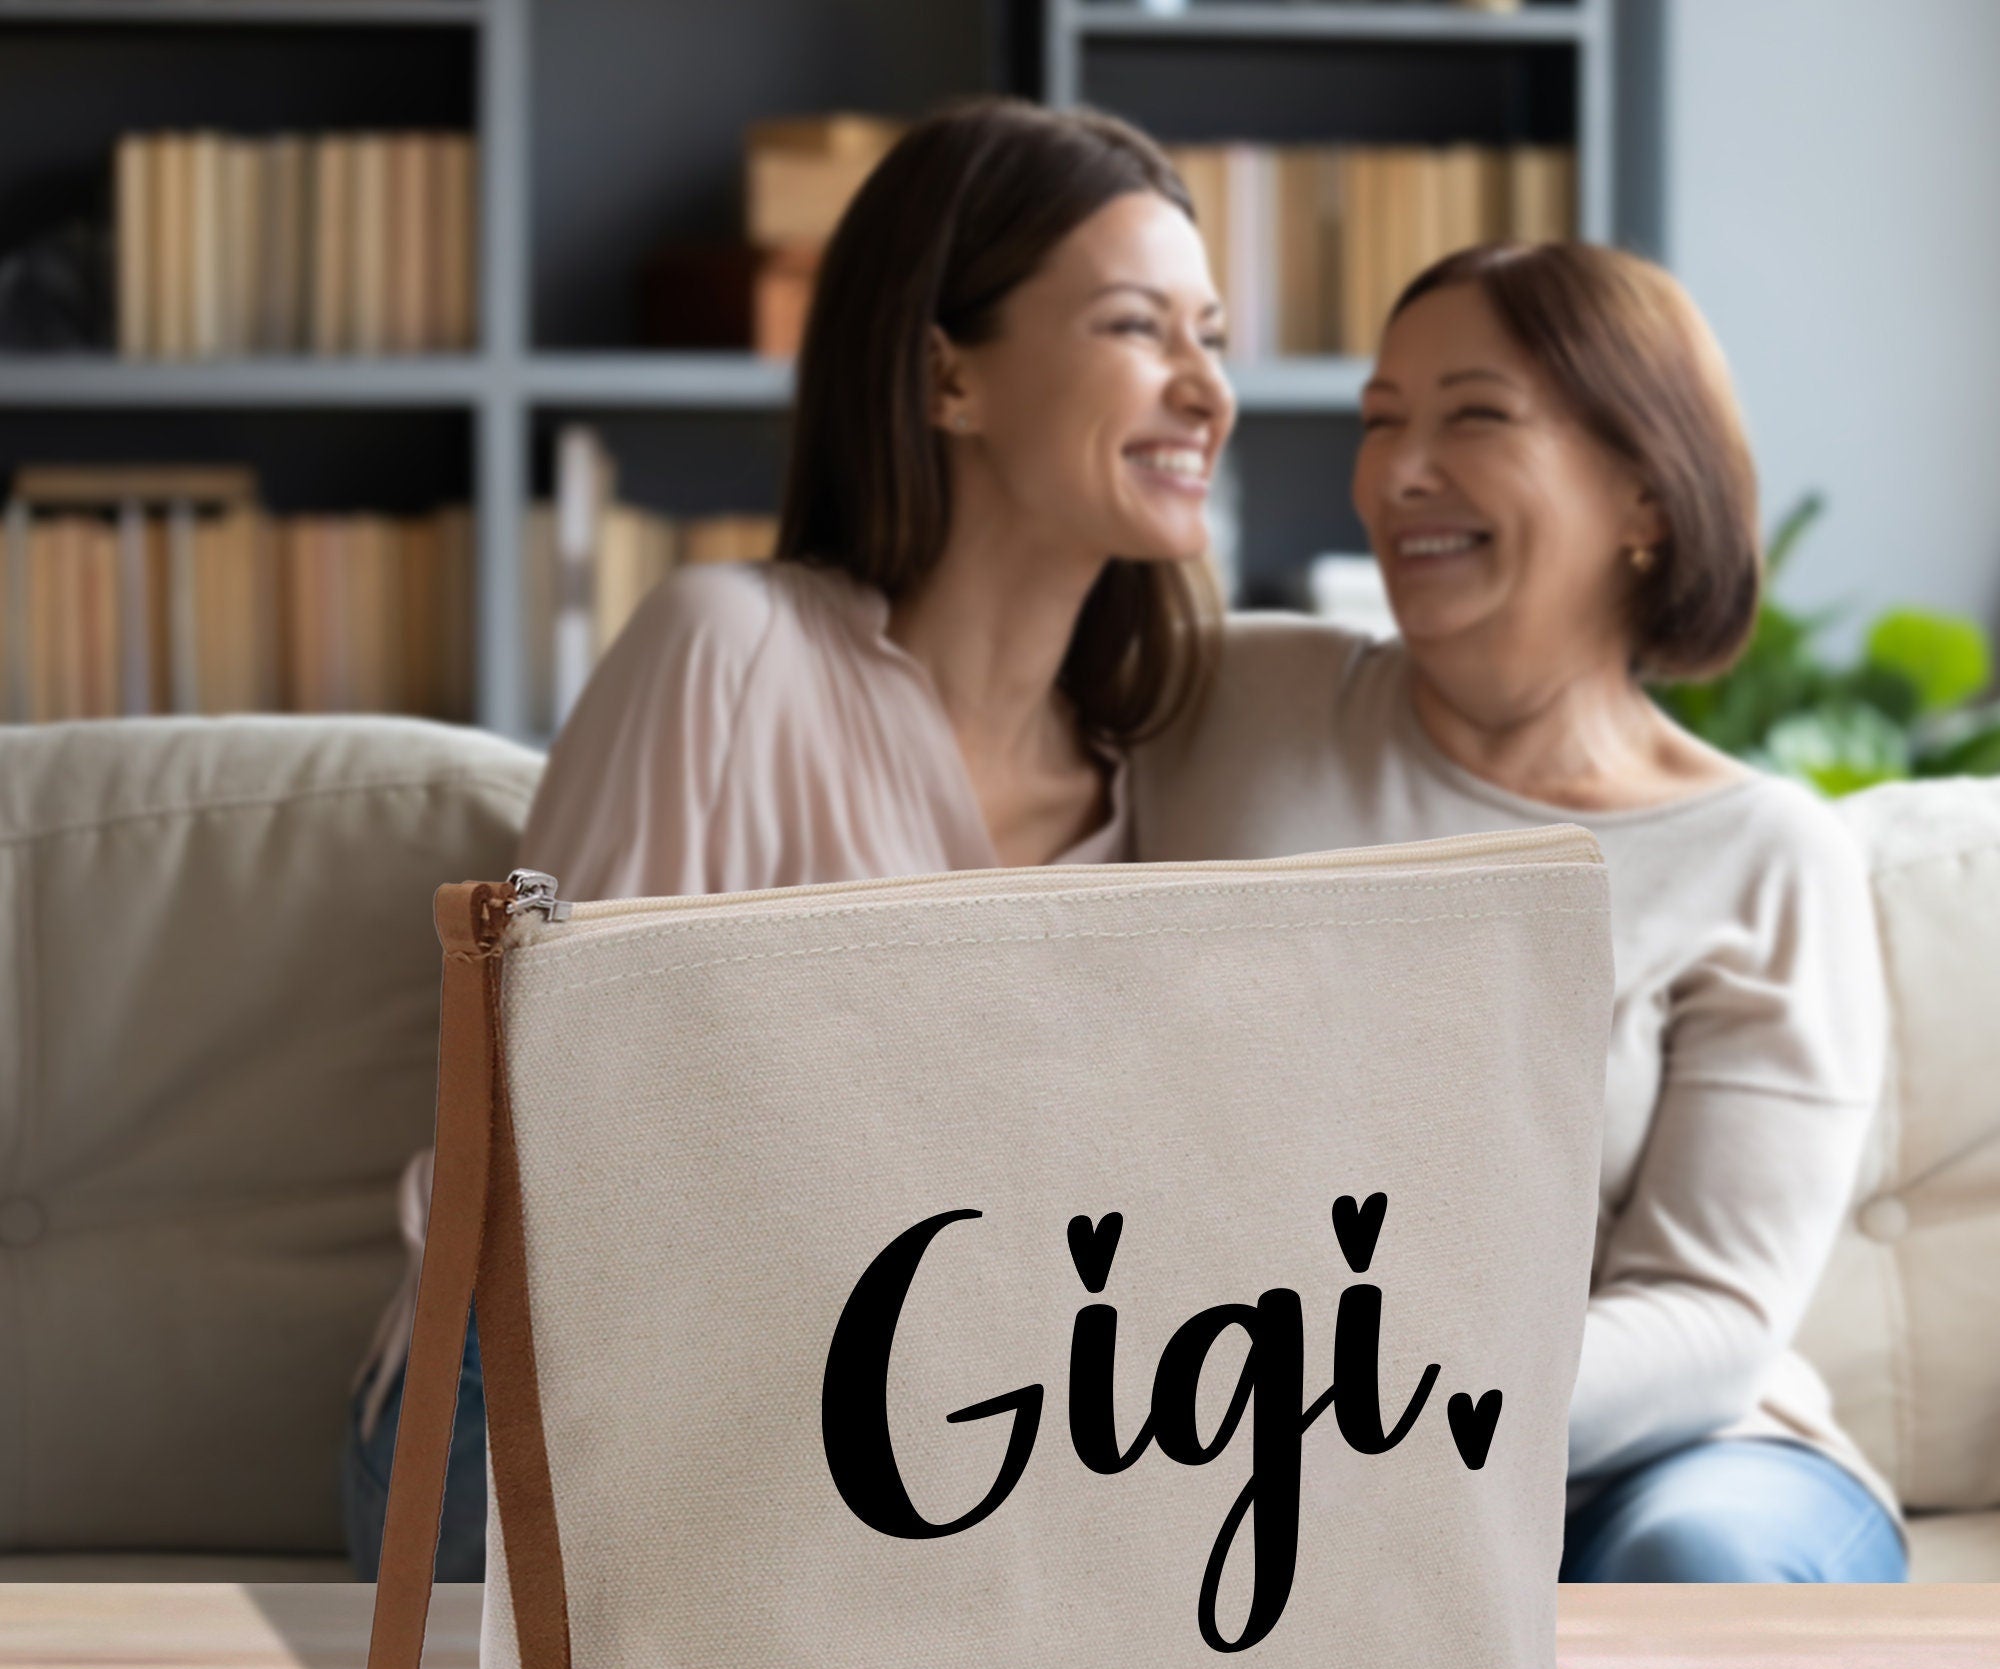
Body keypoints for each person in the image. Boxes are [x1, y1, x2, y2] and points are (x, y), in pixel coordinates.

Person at [340, 96, 1235, 1581]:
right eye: (1142, 329)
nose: (1207, 387)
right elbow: (541, 1157)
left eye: (1213, 333)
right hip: (545, 1416)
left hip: (928, 1423)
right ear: (948, 375)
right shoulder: (727, 654)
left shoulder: (1167, 770)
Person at [1130, 240, 1909, 1583]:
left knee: (1700, 1561)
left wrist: (1358, 1429)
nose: (1398, 473)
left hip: (1662, 1459)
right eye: (1382, 422)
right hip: (1240, 1436)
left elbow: (1706, 1316)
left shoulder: (1766, 859)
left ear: (1645, 493)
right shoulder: (1226, 700)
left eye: (1473, 416)